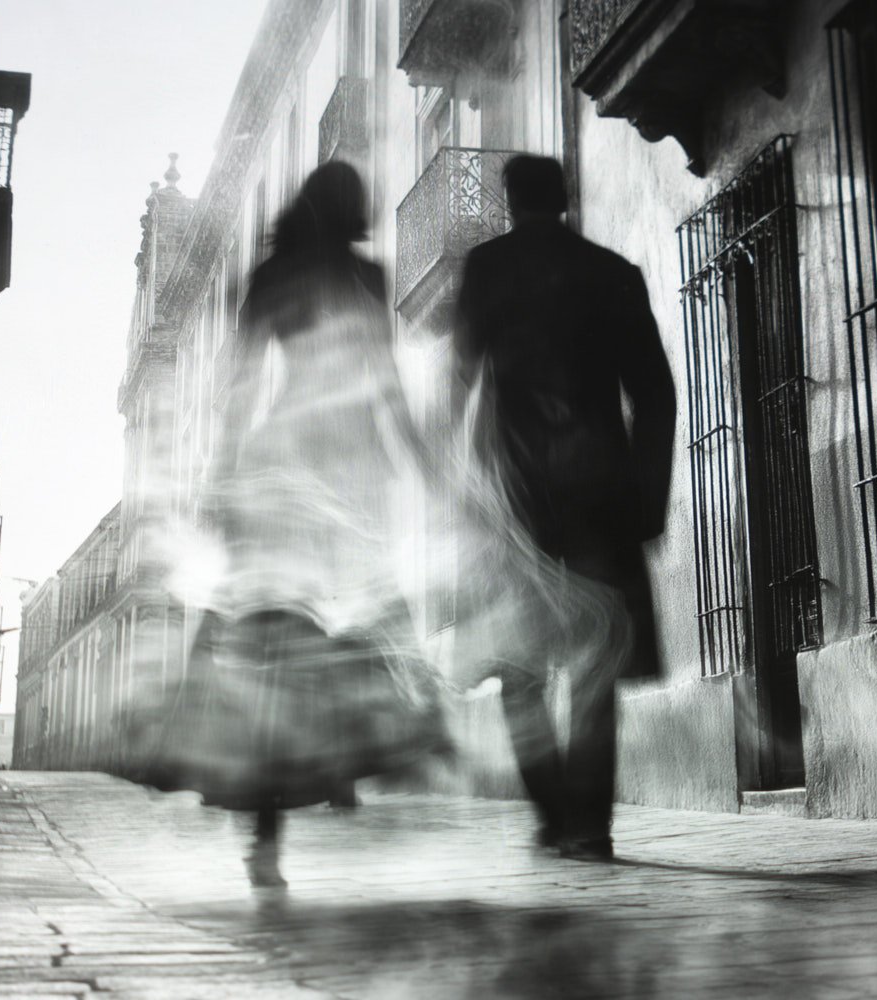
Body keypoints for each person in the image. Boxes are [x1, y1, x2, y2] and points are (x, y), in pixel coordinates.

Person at [127, 162, 448, 888]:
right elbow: (385, 384)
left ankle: (268, 826)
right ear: (352, 212)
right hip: (350, 469)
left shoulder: (272, 276)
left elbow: (240, 391)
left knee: (268, 647)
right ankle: (353, 759)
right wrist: (419, 459)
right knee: (352, 631)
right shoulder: (365, 277)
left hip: (280, 464)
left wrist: (224, 479)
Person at [453, 154, 675, 861]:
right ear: (565, 197)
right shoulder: (611, 273)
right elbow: (656, 393)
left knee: (518, 668)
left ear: (509, 201)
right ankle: (589, 826)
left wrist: (467, 492)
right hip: (599, 499)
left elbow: (458, 389)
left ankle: (553, 812)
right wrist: (647, 497)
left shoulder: (486, 270)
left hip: (515, 505)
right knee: (594, 662)